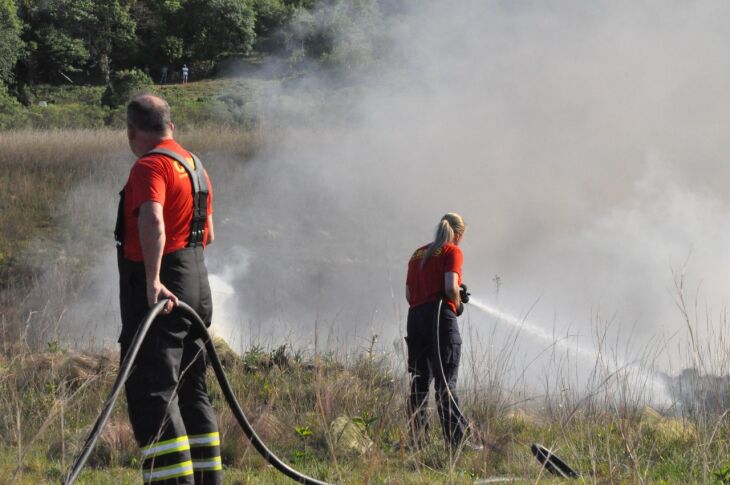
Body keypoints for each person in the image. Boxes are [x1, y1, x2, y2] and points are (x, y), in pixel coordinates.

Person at [114, 93, 221, 484]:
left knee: (152, 390)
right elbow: (208, 233)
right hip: (196, 286)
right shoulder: (194, 165)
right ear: (169, 125)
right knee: (193, 388)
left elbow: (153, 223)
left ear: (132, 130)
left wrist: (154, 280)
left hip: (164, 294)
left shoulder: (149, 167)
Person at [405, 213, 480, 451]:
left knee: (419, 383)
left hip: (415, 320)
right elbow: (449, 287)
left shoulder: (417, 254)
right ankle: (457, 444)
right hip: (440, 320)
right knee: (445, 385)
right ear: (458, 235)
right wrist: (458, 303)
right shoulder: (452, 251)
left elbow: (409, 295)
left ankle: (418, 442)